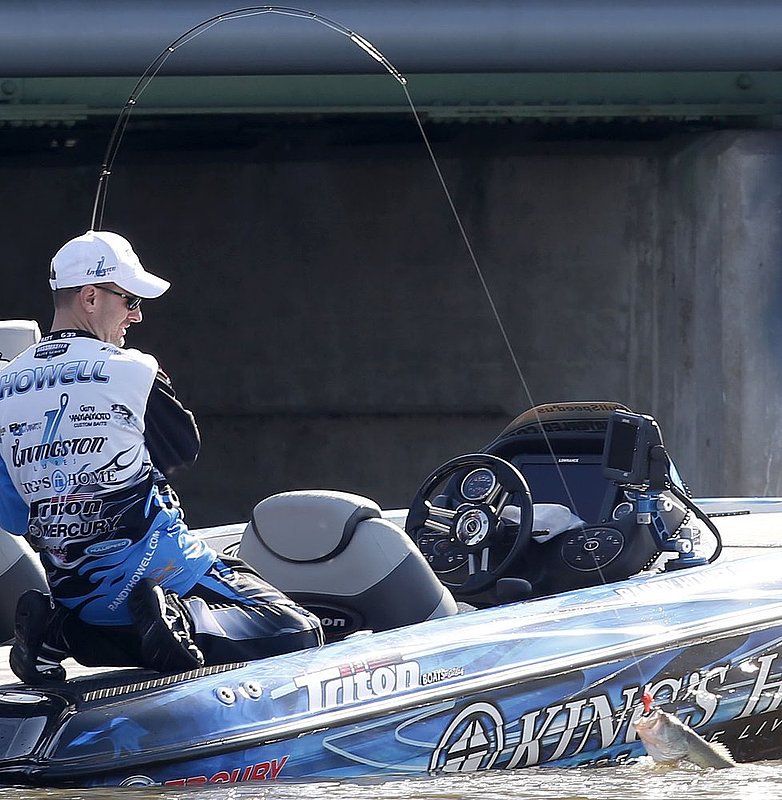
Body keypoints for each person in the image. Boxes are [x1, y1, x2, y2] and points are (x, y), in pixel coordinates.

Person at [0, 230, 323, 683]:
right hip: (164, 571)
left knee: (111, 619)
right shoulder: (134, 370)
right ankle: (180, 622)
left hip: (78, 595)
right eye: (129, 299)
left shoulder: (4, 385)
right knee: (297, 631)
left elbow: (12, 515)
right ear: (90, 297)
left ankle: (59, 632)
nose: (137, 314)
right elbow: (181, 454)